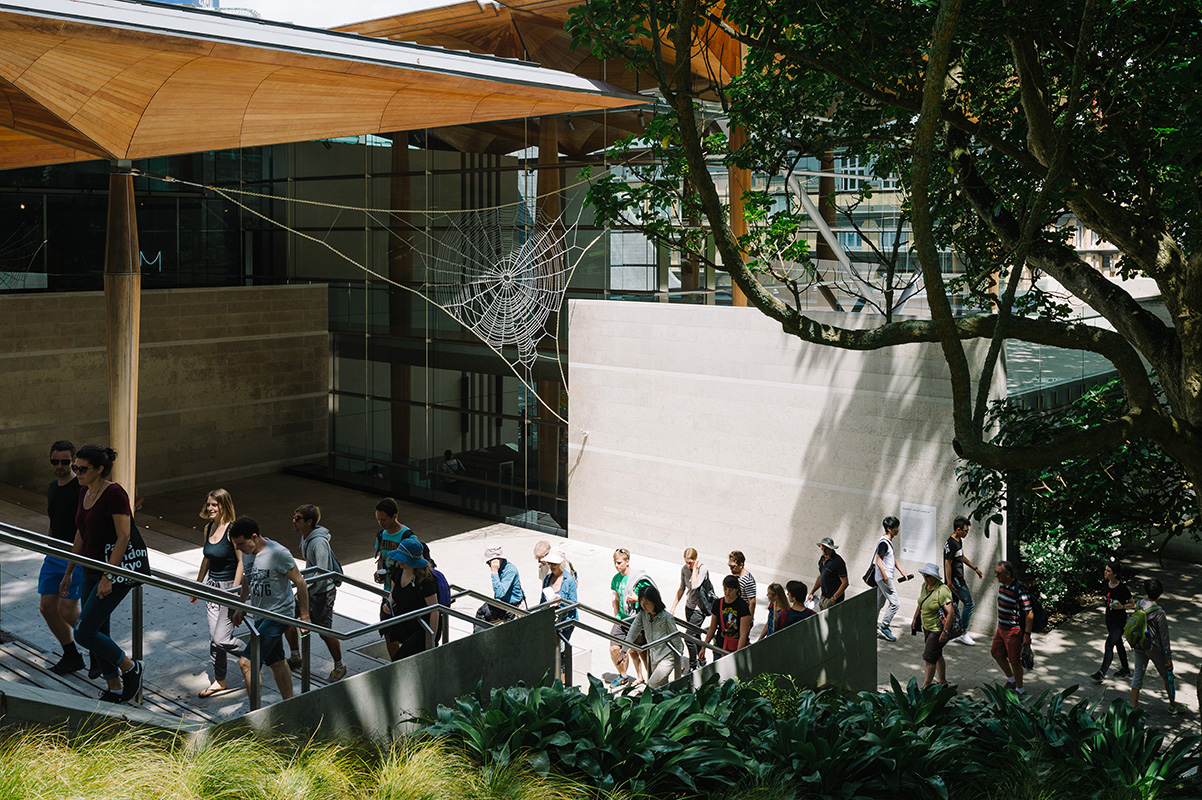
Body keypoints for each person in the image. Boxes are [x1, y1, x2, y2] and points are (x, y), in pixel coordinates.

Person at [60, 445, 149, 703]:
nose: (77, 473)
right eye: (75, 467)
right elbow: (81, 533)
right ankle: (115, 688)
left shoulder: (114, 493)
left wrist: (107, 576)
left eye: (82, 469)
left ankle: (131, 667)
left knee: (84, 632)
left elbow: (124, 535)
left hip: (110, 575)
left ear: (99, 469)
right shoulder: (84, 491)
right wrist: (69, 570)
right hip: (88, 570)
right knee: (99, 631)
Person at [228, 516, 310, 701]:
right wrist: (241, 606)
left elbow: (300, 582)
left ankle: (255, 712)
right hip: (260, 615)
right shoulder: (247, 552)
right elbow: (247, 578)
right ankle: (290, 703)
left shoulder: (278, 553)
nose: (239, 549)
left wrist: (305, 617)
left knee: (247, 663)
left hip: (278, 614)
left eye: (241, 544)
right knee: (277, 662)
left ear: (254, 537)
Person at [285, 505, 346, 681]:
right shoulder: (306, 537)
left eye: (298, 518)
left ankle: (340, 666)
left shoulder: (318, 542)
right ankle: (295, 656)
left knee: (324, 631)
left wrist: (302, 593)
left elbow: (321, 572)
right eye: (294, 517)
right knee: (287, 617)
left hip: (322, 592)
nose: (294, 521)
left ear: (309, 522)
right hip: (309, 589)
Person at [195, 488, 244, 698]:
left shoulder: (233, 530)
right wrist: (198, 585)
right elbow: (206, 558)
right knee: (214, 639)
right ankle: (219, 680)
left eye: (214, 505)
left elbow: (241, 562)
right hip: (211, 587)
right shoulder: (208, 528)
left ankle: (256, 654)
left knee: (221, 638)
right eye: (208, 504)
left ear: (224, 505)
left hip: (228, 587)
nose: (210, 508)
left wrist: (234, 592)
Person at [41, 440, 84, 675]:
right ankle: (71, 655)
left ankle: (102, 650)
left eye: (65, 462)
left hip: (75, 556)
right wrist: (49, 546)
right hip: (54, 554)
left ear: (73, 462)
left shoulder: (81, 488)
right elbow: (54, 520)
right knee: (47, 608)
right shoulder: (52, 488)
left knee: (67, 610)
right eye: (55, 461)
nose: (59, 466)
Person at [384, 538, 440, 661]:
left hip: (421, 627)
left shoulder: (426, 580)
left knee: (399, 658)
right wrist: (389, 603)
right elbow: (393, 592)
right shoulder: (398, 570)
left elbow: (434, 610)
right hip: (404, 621)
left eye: (403, 559)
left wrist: (431, 638)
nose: (399, 562)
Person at [1129, 578, 1178, 714]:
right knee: (1167, 676)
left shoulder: (1139, 603)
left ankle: (1135, 708)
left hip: (1139, 644)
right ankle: (1173, 705)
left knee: (1137, 675)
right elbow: (1164, 638)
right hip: (1154, 647)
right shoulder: (1159, 612)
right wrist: (1168, 658)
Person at [619, 585, 681, 688]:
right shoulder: (643, 614)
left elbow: (677, 639)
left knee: (652, 684)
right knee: (660, 687)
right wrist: (624, 651)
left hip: (667, 657)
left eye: (647, 603)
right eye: (642, 603)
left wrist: (681, 661)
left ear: (654, 602)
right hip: (654, 656)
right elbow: (633, 631)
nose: (644, 606)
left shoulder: (667, 617)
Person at [373, 497, 413, 658]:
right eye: (378, 519)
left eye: (383, 519)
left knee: (406, 634)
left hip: (404, 594)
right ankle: (395, 663)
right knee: (388, 632)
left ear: (394, 516)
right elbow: (381, 557)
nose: (380, 523)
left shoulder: (407, 537)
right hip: (387, 592)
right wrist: (379, 572)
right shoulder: (381, 535)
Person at [990, 561, 1034, 695]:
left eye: (998, 573)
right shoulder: (1002, 586)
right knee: (996, 653)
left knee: (1014, 661)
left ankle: (1020, 689)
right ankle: (1011, 679)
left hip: (1013, 631)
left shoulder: (1019, 589)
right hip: (1001, 628)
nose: (996, 575)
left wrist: (1026, 635)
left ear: (1008, 574)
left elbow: (1029, 613)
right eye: (995, 572)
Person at [912, 562, 955, 688]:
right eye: (924, 575)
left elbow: (950, 612)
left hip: (937, 629)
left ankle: (926, 686)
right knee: (937, 654)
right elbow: (921, 603)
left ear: (935, 577)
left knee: (929, 657)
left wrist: (945, 632)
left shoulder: (942, 590)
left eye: (928, 576)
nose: (925, 578)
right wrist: (915, 618)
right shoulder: (924, 586)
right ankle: (942, 681)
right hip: (927, 627)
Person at [944, 515, 985, 645]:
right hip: (955, 580)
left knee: (953, 607)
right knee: (969, 604)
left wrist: (975, 569)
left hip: (956, 579)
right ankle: (962, 633)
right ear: (958, 529)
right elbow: (947, 563)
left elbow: (961, 557)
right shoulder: (952, 543)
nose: (967, 533)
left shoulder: (957, 541)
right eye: (965, 531)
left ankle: (953, 632)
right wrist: (949, 582)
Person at [1090, 561, 1133, 682]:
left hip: (1119, 620)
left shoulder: (1122, 588)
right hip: (1109, 617)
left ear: (1115, 574)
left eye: (1108, 571)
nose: (1105, 572)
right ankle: (1125, 668)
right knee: (1118, 643)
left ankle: (1101, 673)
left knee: (1109, 644)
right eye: (1105, 570)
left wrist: (1122, 607)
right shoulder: (1106, 583)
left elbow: (1132, 603)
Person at [669, 547, 710, 670]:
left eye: (690, 562)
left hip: (699, 609)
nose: (688, 565)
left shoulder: (702, 569)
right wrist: (673, 606)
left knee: (689, 638)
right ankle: (702, 659)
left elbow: (695, 585)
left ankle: (693, 665)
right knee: (695, 635)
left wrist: (695, 568)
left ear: (696, 559)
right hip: (689, 607)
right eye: (686, 562)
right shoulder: (684, 569)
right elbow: (682, 588)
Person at [540, 549, 578, 681]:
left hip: (565, 622)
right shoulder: (548, 578)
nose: (551, 566)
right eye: (550, 563)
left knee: (561, 653)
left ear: (561, 564)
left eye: (554, 564)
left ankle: (562, 681)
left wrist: (560, 602)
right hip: (551, 620)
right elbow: (542, 601)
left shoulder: (569, 580)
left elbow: (573, 603)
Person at [609, 548, 642, 685]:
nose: (616, 566)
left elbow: (646, 597)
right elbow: (616, 598)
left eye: (619, 563)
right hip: (622, 619)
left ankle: (641, 677)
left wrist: (637, 599)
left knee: (635, 651)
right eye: (615, 563)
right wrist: (617, 614)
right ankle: (623, 675)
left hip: (635, 620)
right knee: (614, 648)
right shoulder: (616, 579)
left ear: (627, 561)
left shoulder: (636, 578)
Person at [874, 516, 911, 641]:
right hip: (884, 578)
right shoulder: (884, 542)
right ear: (889, 528)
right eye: (896, 527)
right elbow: (878, 561)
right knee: (895, 604)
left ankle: (871, 625)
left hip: (883, 578)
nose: (898, 530)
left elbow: (892, 558)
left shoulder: (887, 542)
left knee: (879, 603)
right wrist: (885, 577)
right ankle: (884, 627)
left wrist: (902, 572)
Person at [476, 545, 524, 625]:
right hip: (501, 604)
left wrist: (494, 572)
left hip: (511, 606)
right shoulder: (499, 569)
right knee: (481, 613)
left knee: (482, 614)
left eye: (489, 562)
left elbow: (500, 593)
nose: (489, 565)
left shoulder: (510, 570)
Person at [705, 574, 751, 655]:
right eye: (725, 589)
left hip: (735, 646)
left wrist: (737, 654)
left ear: (736, 589)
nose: (727, 593)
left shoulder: (742, 606)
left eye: (731, 590)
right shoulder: (718, 603)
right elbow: (712, 628)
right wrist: (704, 647)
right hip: (720, 646)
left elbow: (743, 634)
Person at [810, 537, 848, 610]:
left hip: (833, 599)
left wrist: (834, 598)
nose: (824, 551)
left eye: (826, 549)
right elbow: (820, 576)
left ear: (831, 548)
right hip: (823, 597)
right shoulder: (822, 559)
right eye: (822, 549)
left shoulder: (838, 561)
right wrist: (812, 592)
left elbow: (845, 583)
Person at [728, 551, 757, 623]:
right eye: (729, 565)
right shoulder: (735, 576)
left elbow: (752, 601)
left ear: (741, 565)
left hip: (743, 617)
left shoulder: (748, 580)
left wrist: (749, 620)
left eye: (733, 566)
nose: (730, 568)